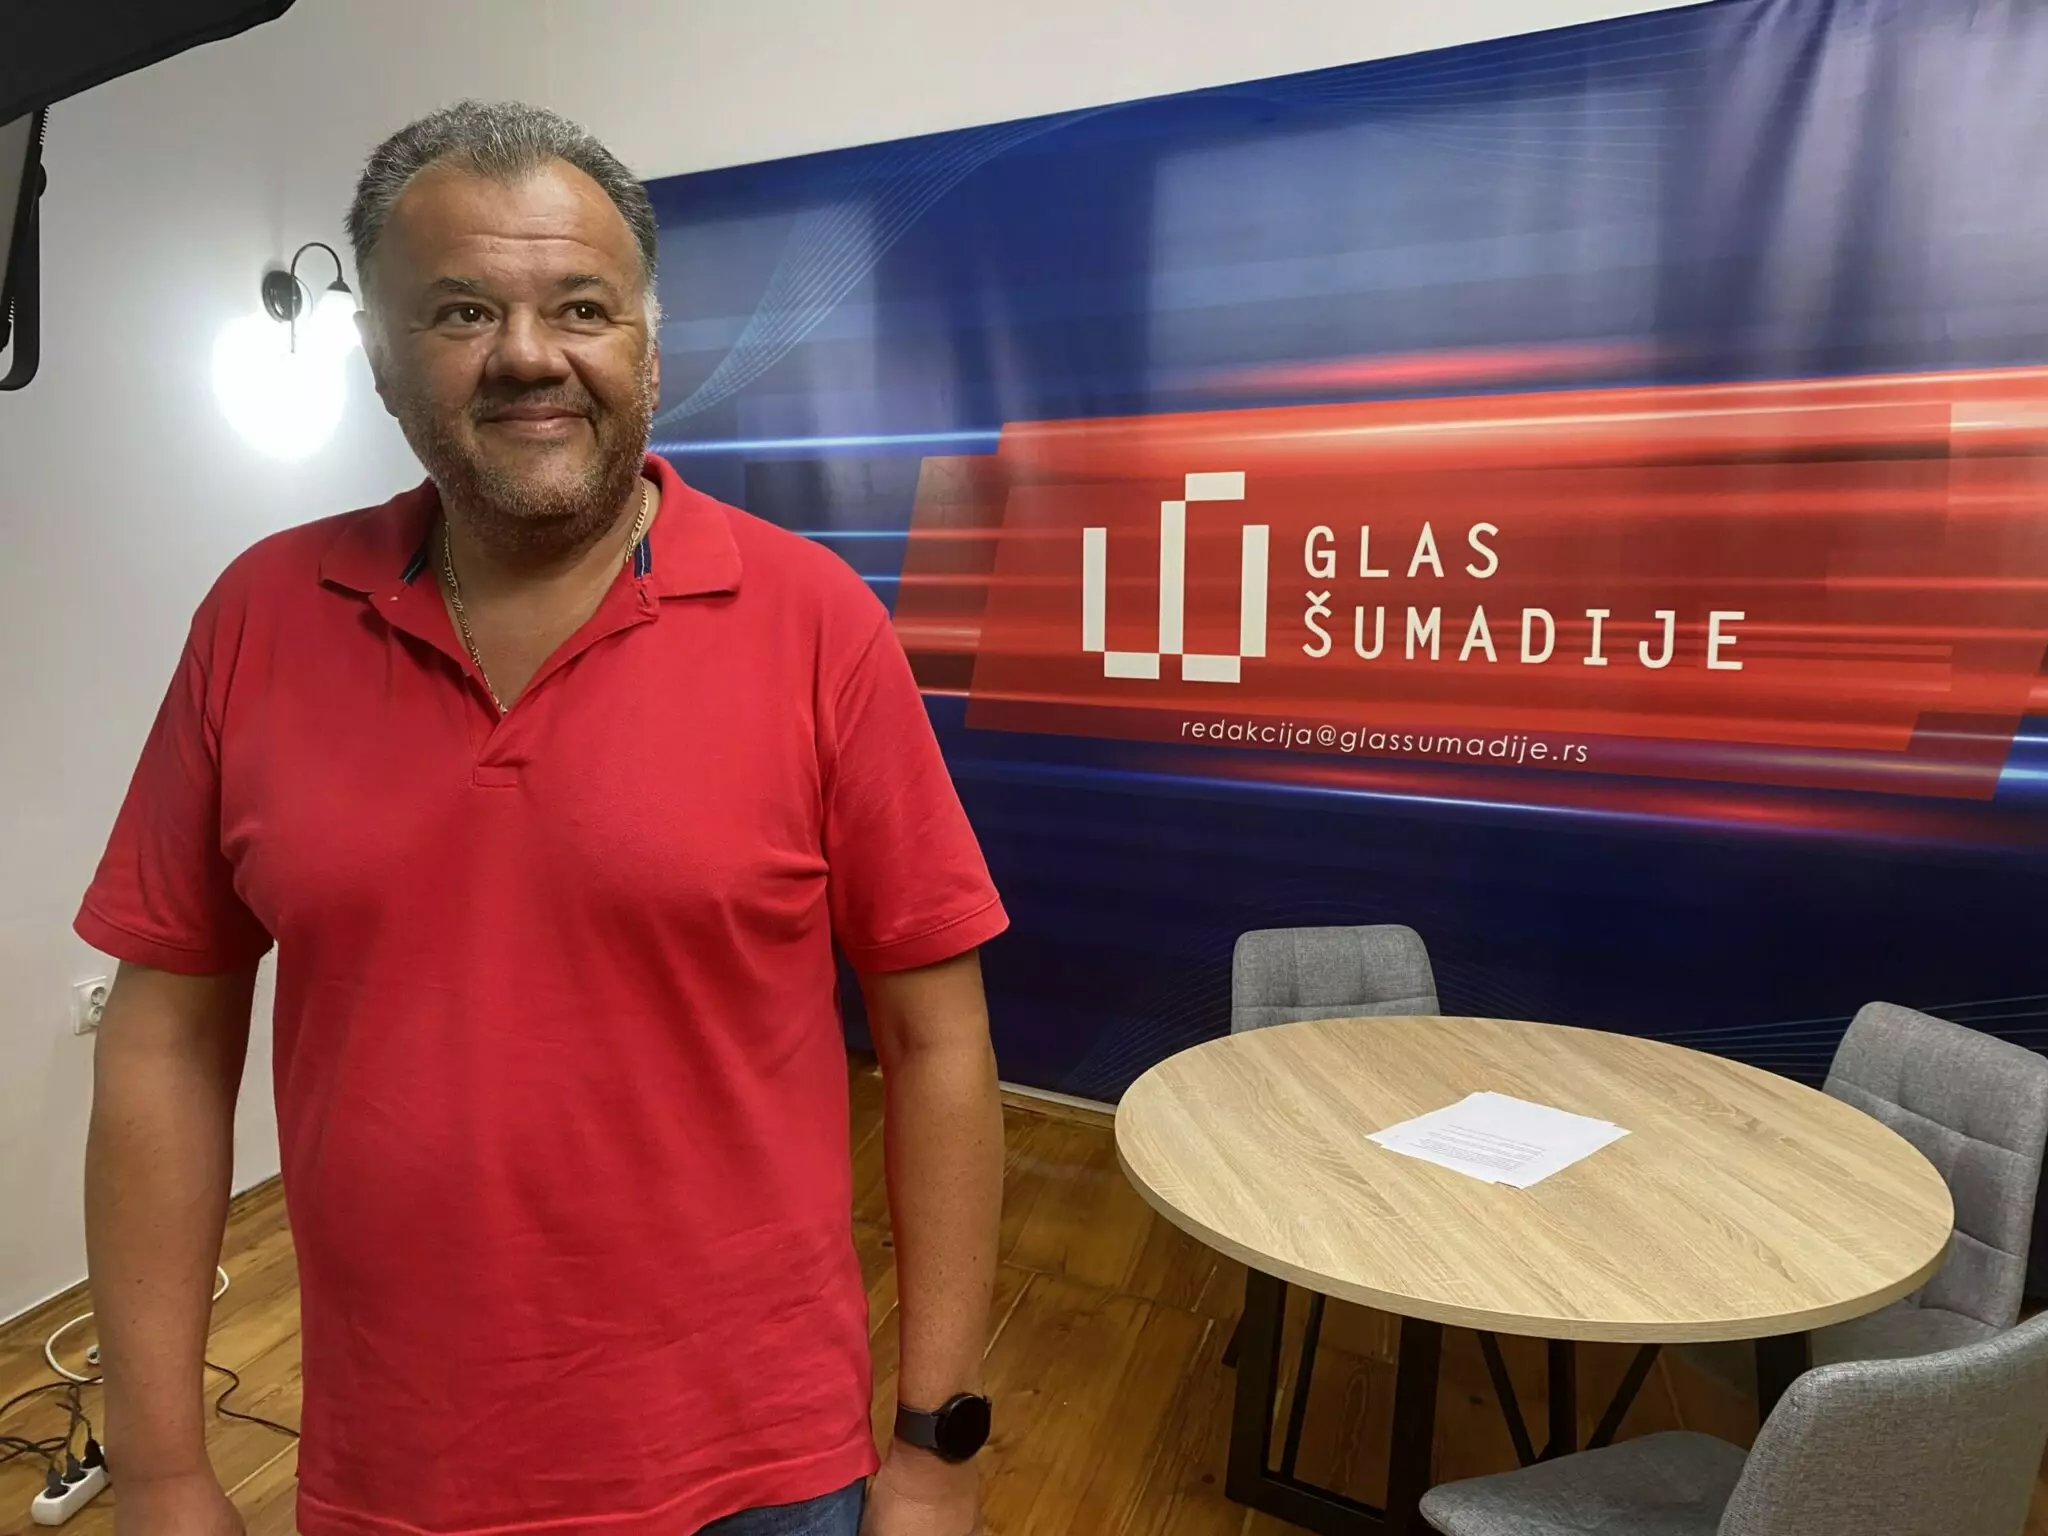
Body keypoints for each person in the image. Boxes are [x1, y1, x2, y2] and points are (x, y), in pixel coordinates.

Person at [78, 102, 1006, 1536]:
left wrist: (938, 1453)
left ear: (648, 346)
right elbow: (162, 1042)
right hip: (398, 1471)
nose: (528, 354)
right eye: (462, 310)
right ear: (379, 355)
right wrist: (157, 1467)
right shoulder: (261, 616)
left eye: (581, 305)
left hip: (757, 1473)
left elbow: (938, 1045)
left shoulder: (815, 620)